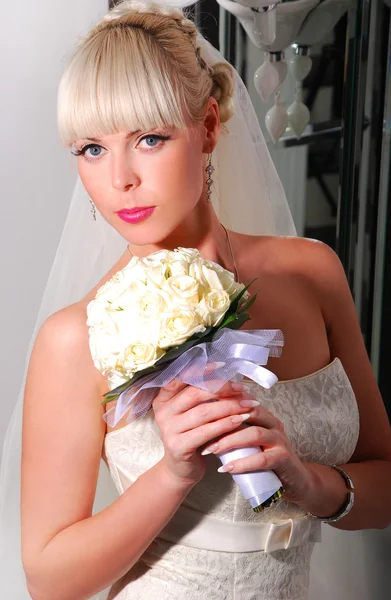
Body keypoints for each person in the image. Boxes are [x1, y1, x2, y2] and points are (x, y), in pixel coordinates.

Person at [1, 1, 391, 599]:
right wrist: (173, 474)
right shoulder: (75, 336)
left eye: (149, 137)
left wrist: (311, 485)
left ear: (208, 126)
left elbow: (384, 480)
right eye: (91, 149)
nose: (120, 179)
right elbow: (50, 581)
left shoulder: (312, 271)